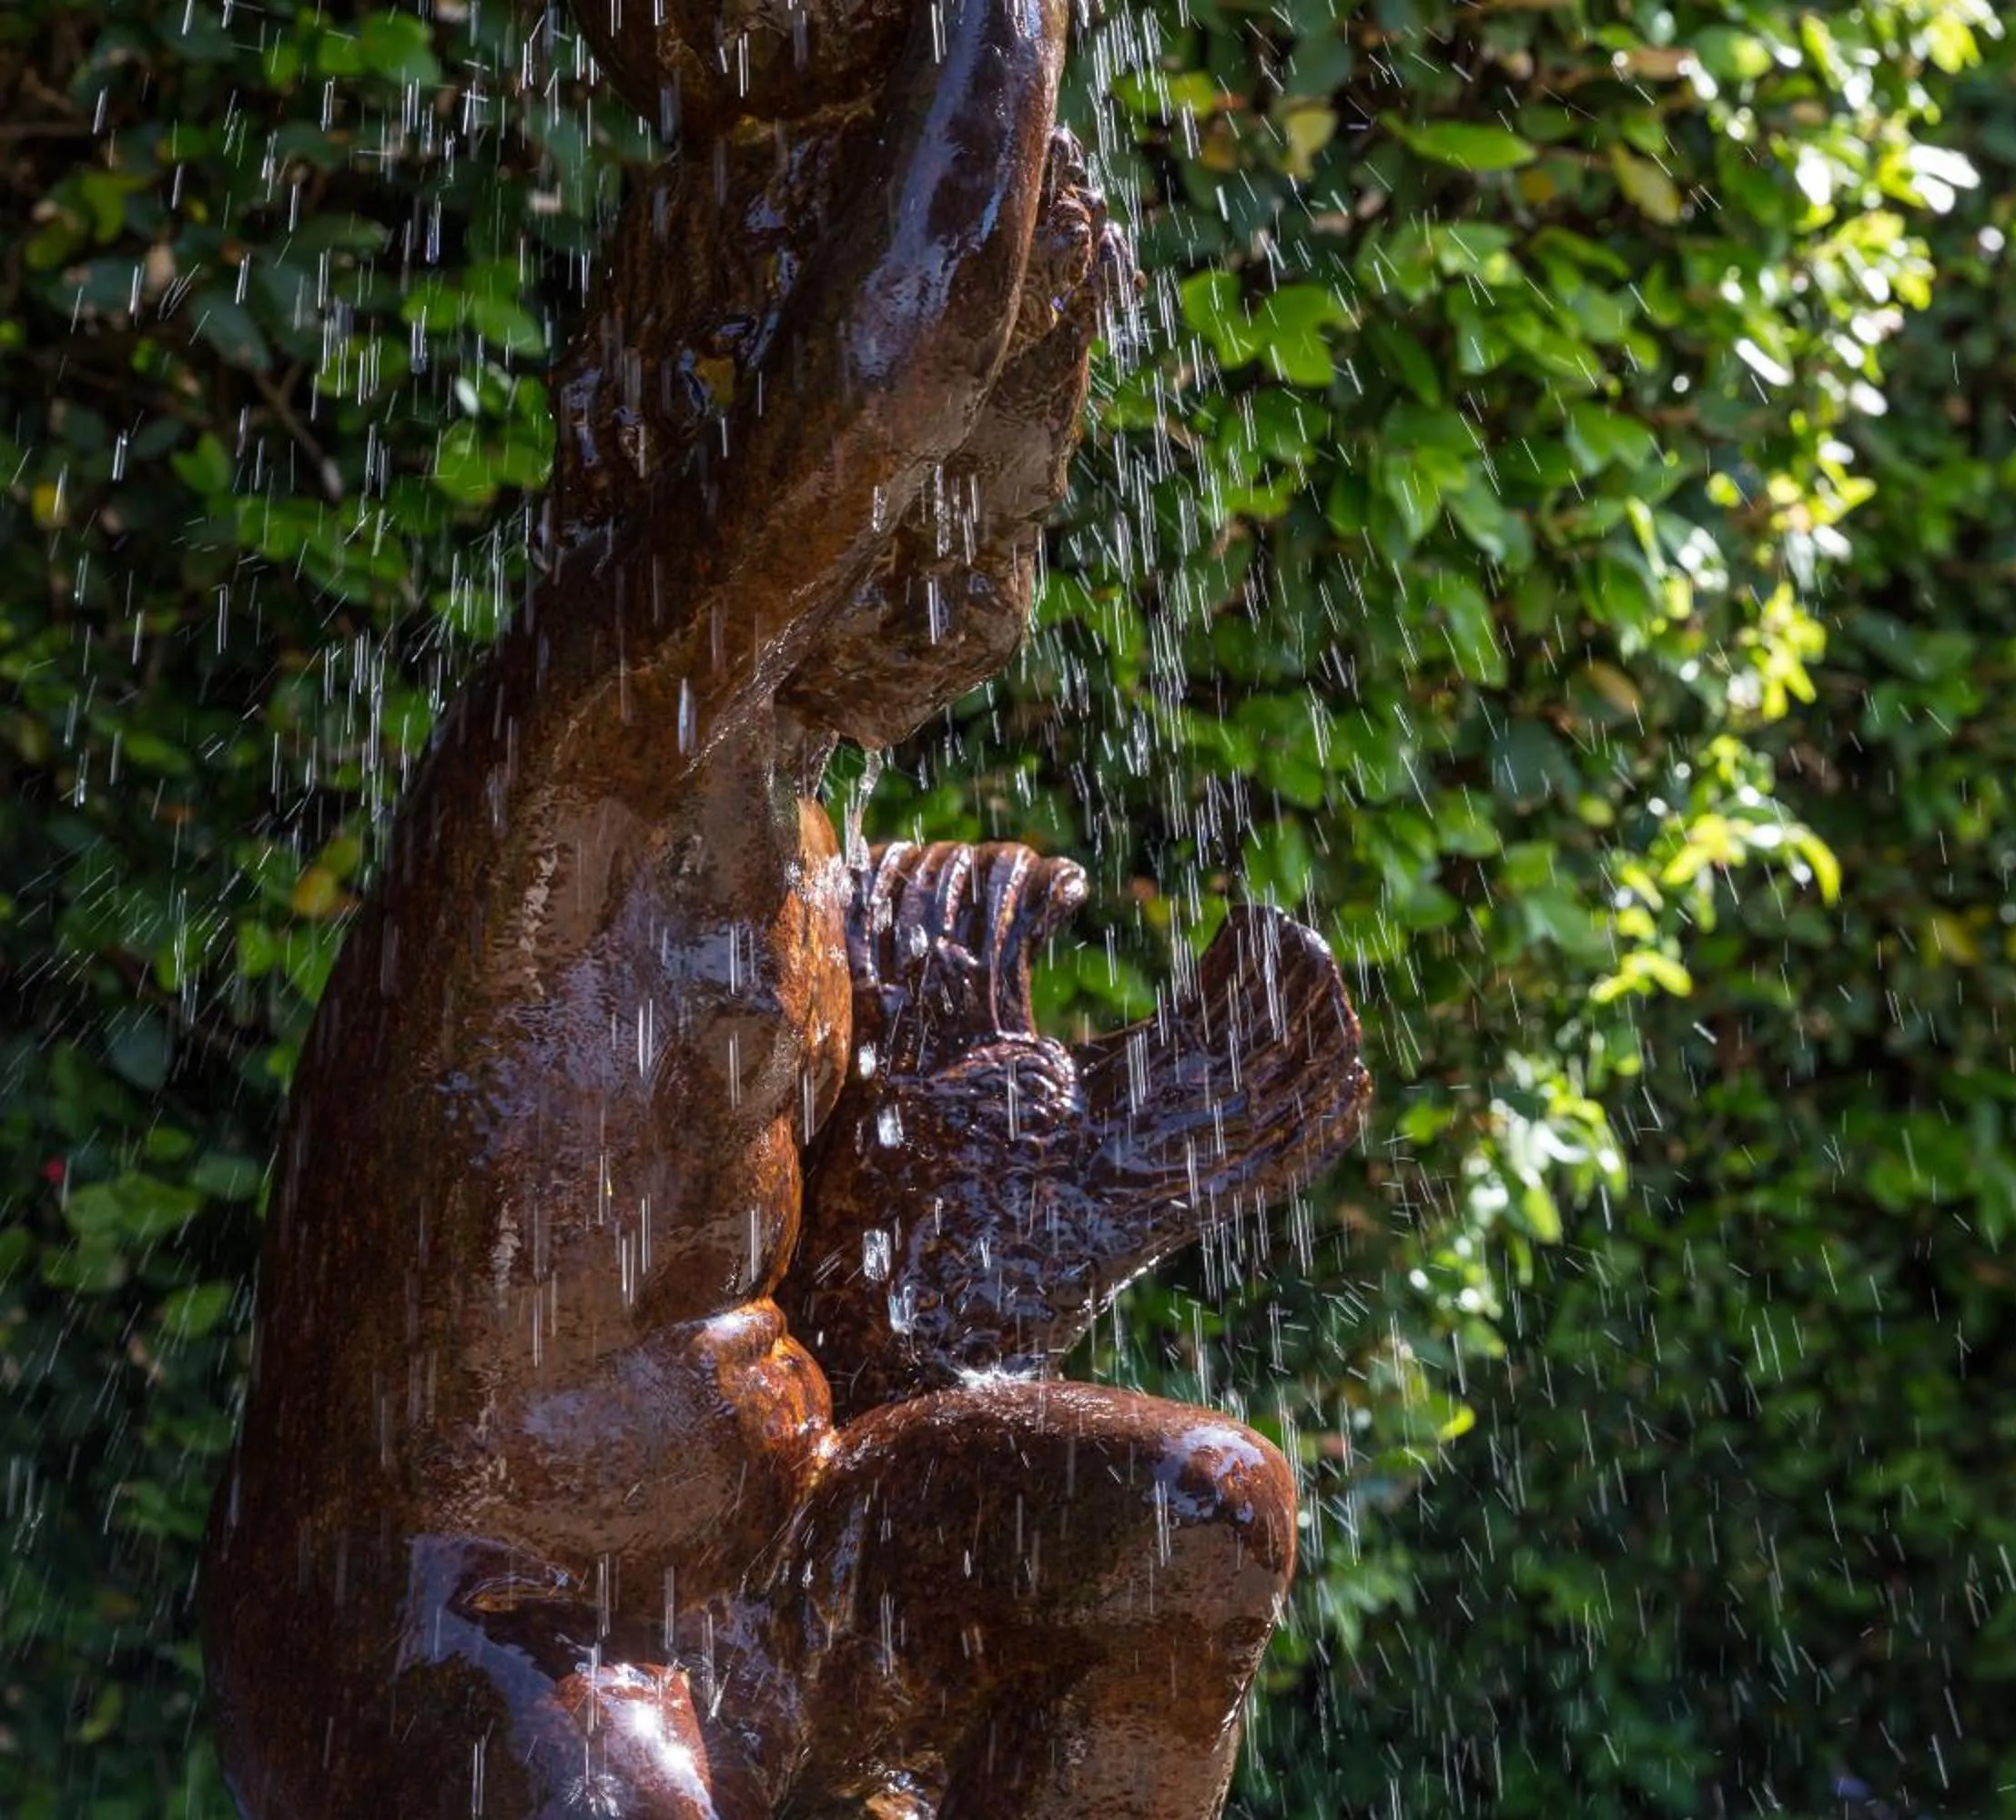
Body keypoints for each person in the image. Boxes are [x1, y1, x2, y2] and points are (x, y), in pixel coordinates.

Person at [200, 1, 1364, 1811]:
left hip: (754, 1582)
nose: (983, 587)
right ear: (718, 436)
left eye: (1016, 524)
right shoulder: (594, 739)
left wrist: (1122, 1167)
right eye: (946, 515)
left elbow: (857, 1298)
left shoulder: (796, 849)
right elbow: (866, 398)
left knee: (1195, 1517)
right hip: (461, 1621)